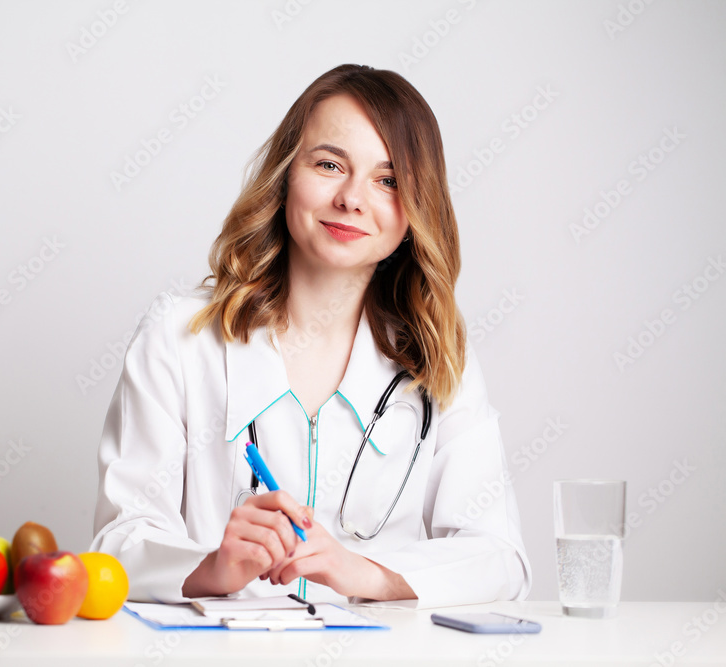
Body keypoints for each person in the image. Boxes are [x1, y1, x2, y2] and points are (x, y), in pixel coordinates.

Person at [90, 64, 531, 607]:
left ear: (415, 209)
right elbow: (118, 545)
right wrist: (212, 568)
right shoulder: (180, 337)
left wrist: (365, 573)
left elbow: (499, 557)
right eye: (329, 164)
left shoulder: (437, 356)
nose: (351, 198)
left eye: (388, 180)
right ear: (285, 176)